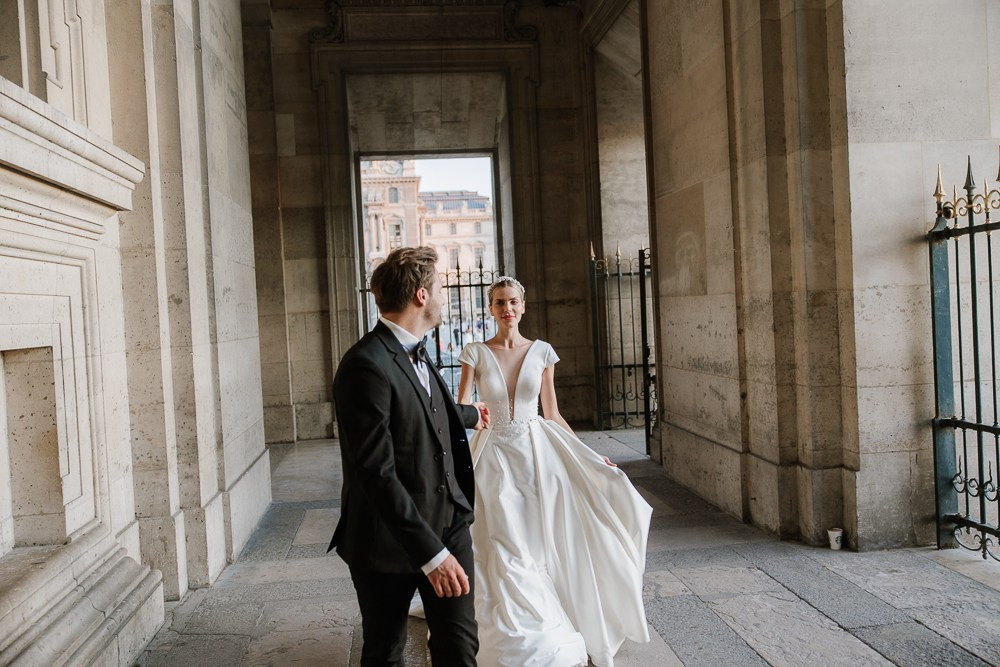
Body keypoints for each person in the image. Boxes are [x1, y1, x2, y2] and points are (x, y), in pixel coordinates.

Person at [458, 276, 652, 667]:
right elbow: (459, 410)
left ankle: (550, 612)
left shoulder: (543, 352)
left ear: (523, 306)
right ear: (490, 309)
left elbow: (553, 412)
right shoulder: (475, 353)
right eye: (499, 303)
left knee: (537, 538)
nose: (507, 309)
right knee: (502, 539)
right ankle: (512, 623)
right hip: (493, 456)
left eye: (513, 302)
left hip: (535, 456)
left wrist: (591, 456)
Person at [329, 246, 490, 667]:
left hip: (449, 522)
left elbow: (424, 405)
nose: (443, 296)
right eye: (440, 287)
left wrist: (470, 414)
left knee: (459, 646)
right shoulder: (364, 365)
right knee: (386, 652)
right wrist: (431, 556)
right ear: (421, 295)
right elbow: (375, 473)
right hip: (385, 541)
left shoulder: (416, 348)